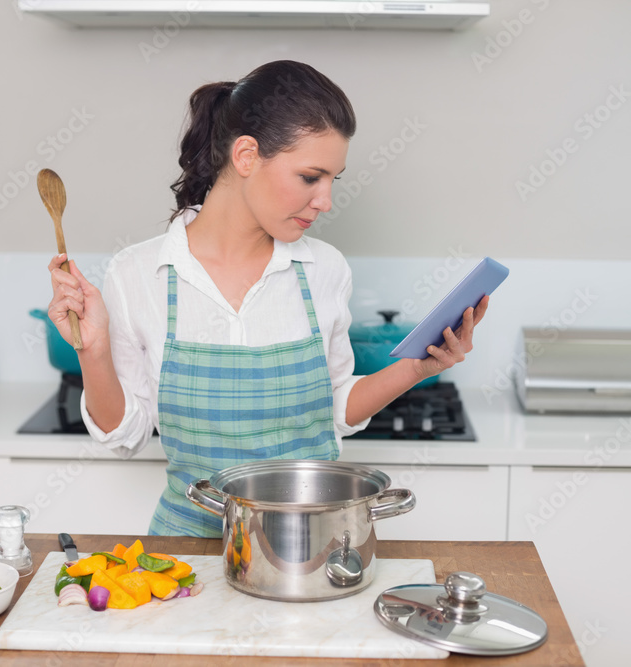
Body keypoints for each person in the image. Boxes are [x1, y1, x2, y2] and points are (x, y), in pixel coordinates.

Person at [46, 60, 489, 537]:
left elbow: (336, 407)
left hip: (307, 550)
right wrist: (92, 350)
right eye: (310, 177)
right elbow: (125, 436)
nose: (325, 201)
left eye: (333, 180)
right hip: (184, 554)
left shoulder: (324, 269)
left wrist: (419, 367)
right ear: (246, 155)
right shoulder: (138, 272)